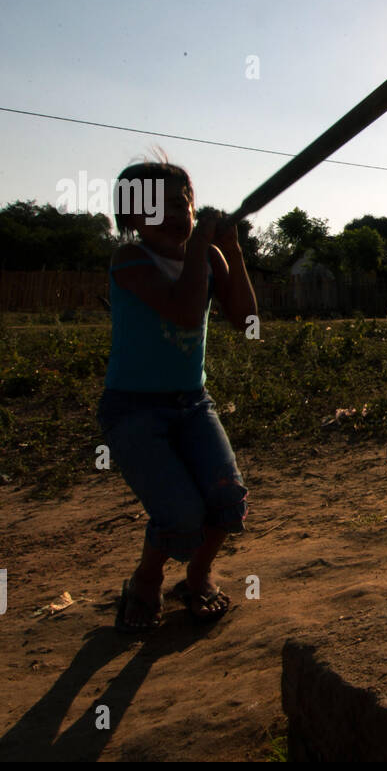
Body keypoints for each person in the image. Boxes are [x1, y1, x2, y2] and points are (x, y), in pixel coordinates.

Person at [97, 153, 257, 632]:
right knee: (181, 515)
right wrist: (204, 247)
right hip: (134, 409)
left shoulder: (207, 256)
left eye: (182, 202)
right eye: (157, 207)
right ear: (130, 217)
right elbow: (186, 314)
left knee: (227, 500)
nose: (175, 215)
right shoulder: (130, 259)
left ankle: (197, 576)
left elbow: (246, 321)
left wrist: (231, 248)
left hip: (192, 403)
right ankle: (145, 581)